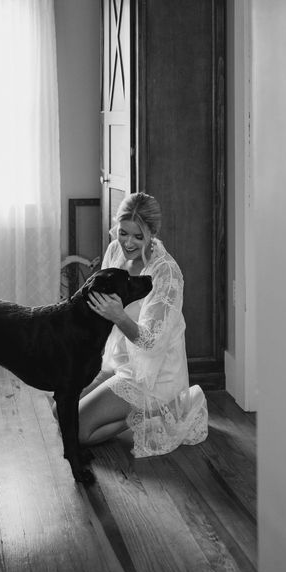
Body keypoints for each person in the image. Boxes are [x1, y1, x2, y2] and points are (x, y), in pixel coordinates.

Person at [77, 192, 208, 458]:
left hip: (152, 374)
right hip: (119, 360)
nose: (127, 242)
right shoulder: (114, 250)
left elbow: (151, 341)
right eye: (123, 232)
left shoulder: (166, 273)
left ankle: (152, 413)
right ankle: (123, 408)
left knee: (78, 431)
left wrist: (119, 316)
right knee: (61, 409)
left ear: (152, 234)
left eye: (138, 236)